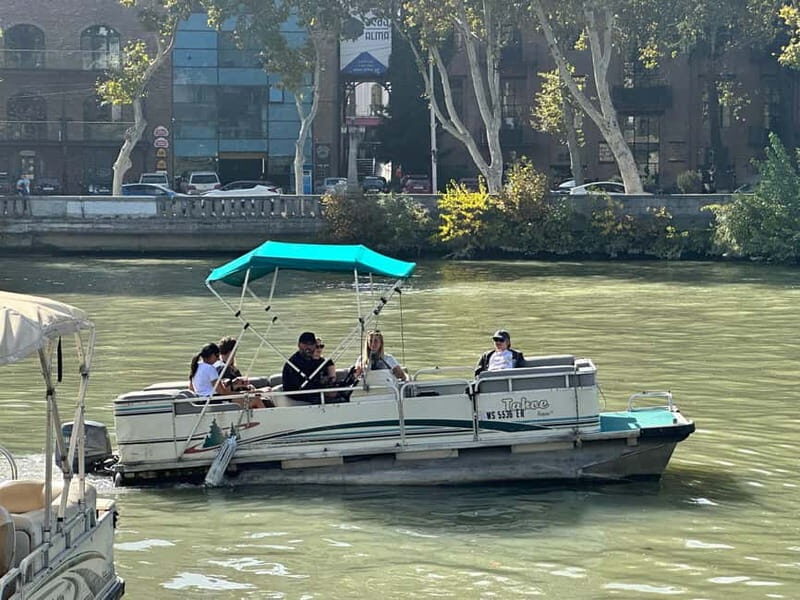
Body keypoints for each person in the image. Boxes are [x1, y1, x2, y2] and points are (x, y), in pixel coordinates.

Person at [282, 331, 327, 402]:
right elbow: (297, 386)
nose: (308, 347)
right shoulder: (293, 363)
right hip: (297, 394)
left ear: (315, 345)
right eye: (305, 344)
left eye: (311, 344)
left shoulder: (317, 360)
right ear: (299, 345)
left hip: (312, 392)